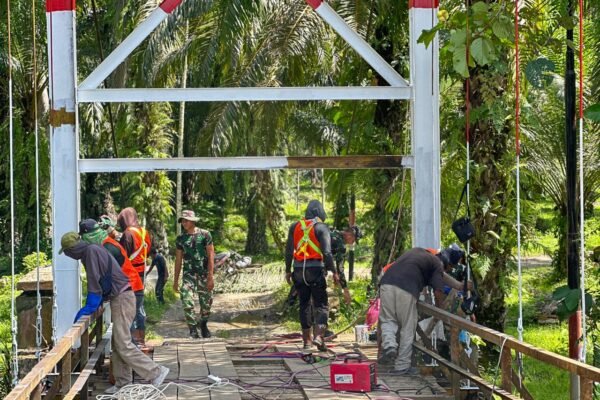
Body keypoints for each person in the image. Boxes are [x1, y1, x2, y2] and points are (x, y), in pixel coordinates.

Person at [59, 231, 169, 394]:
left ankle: (155, 372)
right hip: (121, 297)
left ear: (72, 249)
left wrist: (86, 310)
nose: (68, 256)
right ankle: (123, 383)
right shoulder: (93, 249)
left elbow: (94, 285)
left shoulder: (90, 253)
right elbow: (101, 280)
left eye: (67, 252)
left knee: (123, 343)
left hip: (122, 298)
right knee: (118, 343)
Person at [377, 245, 470, 375]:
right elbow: (438, 292)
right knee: (408, 326)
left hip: (386, 283)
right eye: (450, 267)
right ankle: (402, 365)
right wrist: (440, 310)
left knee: (388, 319)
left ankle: (389, 345)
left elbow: (443, 277)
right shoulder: (437, 264)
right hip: (406, 288)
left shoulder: (419, 253)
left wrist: (461, 286)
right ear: (447, 263)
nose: (449, 270)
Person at [285, 199, 339, 351]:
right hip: (315, 270)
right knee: (321, 304)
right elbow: (327, 253)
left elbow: (289, 250)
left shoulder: (295, 226)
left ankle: (307, 342)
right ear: (320, 213)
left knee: (304, 304)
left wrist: (288, 270)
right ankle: (319, 337)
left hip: (298, 270)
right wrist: (334, 272)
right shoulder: (321, 227)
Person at [173, 210, 215, 339]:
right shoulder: (181, 239)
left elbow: (211, 255)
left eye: (186, 220)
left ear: (192, 221)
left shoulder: (205, 235)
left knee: (206, 302)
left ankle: (203, 324)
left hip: (204, 274)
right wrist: (175, 281)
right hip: (188, 275)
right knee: (186, 300)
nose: (184, 223)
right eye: (182, 221)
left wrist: (210, 276)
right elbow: (178, 260)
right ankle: (192, 329)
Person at [117, 207, 152, 349]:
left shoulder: (128, 234)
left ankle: (133, 340)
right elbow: (149, 250)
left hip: (130, 275)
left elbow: (122, 255)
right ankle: (141, 338)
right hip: (141, 273)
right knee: (140, 307)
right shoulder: (144, 232)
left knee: (130, 308)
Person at [330, 225, 363, 305]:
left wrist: (334, 273)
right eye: (353, 240)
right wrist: (345, 289)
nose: (352, 243)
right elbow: (340, 268)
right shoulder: (340, 244)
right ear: (349, 235)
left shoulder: (333, 232)